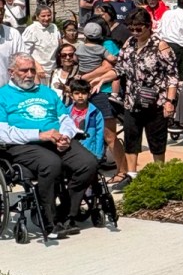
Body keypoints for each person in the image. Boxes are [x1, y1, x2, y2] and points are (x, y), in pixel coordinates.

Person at [0, 52, 98, 238]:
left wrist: (66, 136)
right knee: (51, 164)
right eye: (23, 70)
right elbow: (3, 132)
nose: (29, 74)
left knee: (88, 163)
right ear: (11, 72)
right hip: (24, 144)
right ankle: (49, 219)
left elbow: (65, 119)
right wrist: (39, 135)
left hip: (56, 139)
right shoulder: (2, 96)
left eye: (32, 70)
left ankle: (67, 212)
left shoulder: (47, 92)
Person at [108, 8, 178, 177]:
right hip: (132, 100)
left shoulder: (160, 45)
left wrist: (170, 101)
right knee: (132, 138)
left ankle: (159, 175)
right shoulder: (129, 43)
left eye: (138, 28)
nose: (135, 31)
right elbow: (120, 68)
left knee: (156, 141)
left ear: (148, 26)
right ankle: (132, 175)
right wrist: (100, 78)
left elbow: (172, 75)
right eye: (131, 28)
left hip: (156, 102)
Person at [77, 22, 126, 188]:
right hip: (85, 92)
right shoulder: (97, 48)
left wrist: (85, 77)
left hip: (102, 92)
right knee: (86, 131)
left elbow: (111, 65)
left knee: (109, 134)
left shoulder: (107, 44)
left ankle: (122, 171)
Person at [157, 0, 183, 79]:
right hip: (180, 50)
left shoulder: (166, 13)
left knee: (164, 75)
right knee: (180, 78)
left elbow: (158, 29)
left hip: (164, 46)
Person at [22, 5, 61, 86]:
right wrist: (37, 67)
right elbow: (24, 52)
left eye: (49, 15)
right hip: (38, 71)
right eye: (43, 16)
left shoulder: (54, 27)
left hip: (53, 69)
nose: (46, 18)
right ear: (37, 16)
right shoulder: (31, 30)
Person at [68, 77, 105, 160]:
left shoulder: (95, 113)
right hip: (71, 150)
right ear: (71, 95)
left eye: (84, 93)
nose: (80, 96)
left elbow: (100, 133)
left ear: (89, 94)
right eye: (77, 93)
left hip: (89, 151)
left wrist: (98, 154)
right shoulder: (66, 112)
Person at [0, 0, 25, 87]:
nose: (0, 13)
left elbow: (22, 62)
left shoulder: (13, 34)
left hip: (7, 93)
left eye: (1, 10)